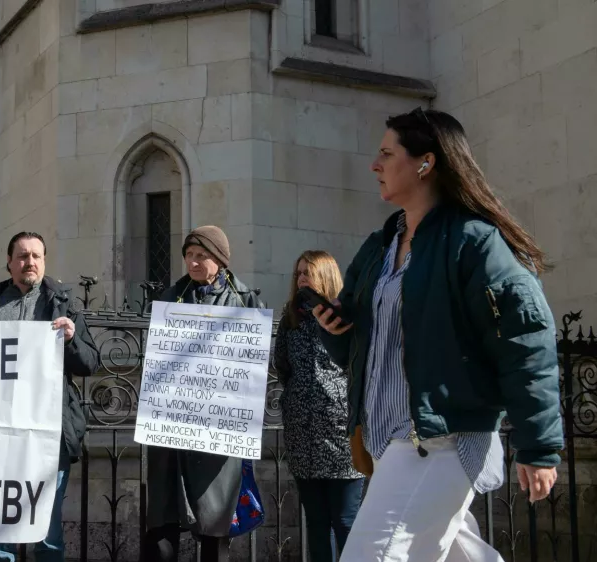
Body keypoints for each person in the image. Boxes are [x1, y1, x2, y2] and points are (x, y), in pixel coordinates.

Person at [313, 108, 563, 561]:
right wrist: (335, 328)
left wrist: (539, 445)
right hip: (387, 441)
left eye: (387, 153)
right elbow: (361, 344)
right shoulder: (379, 246)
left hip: (438, 441)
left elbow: (525, 341)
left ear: (425, 163)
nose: (374, 165)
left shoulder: (474, 242)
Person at [0, 231, 99, 562]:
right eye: (22, 256)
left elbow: (90, 363)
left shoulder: (64, 304)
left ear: (44, 262)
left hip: (48, 432)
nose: (30, 262)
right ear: (9, 263)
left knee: (47, 530)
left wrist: (71, 341)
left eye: (36, 256)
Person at [145, 225, 261, 562]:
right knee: (164, 526)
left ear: (220, 260)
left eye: (202, 256)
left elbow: (252, 367)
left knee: (215, 527)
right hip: (173, 429)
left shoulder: (245, 302)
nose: (193, 262)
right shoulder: (169, 299)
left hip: (217, 431)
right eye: (189, 255)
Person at [271, 251, 364, 562]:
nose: (301, 279)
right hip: (303, 435)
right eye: (298, 273)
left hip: (341, 435)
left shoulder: (347, 316)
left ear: (324, 276)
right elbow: (282, 365)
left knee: (346, 520)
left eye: (307, 273)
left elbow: (359, 366)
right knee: (316, 522)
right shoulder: (291, 318)